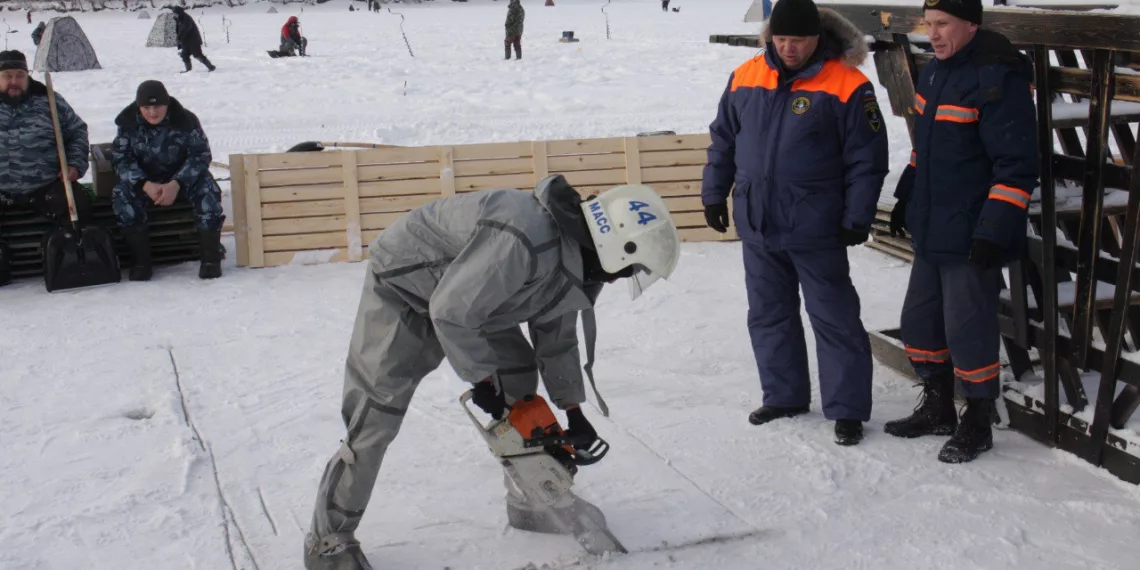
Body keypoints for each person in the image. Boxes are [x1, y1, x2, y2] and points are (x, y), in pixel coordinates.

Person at [302, 176, 681, 570]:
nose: (623, 277)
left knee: (519, 384)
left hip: (476, 297)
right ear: (617, 247)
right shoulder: (525, 239)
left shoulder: (578, 259)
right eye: (630, 268)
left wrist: (573, 410)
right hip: (406, 287)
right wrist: (482, 380)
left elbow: (557, 340)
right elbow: (451, 312)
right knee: (376, 416)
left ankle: (530, 499)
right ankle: (329, 539)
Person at [700, 0, 889, 445]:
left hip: (816, 225)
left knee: (834, 319)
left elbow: (867, 159)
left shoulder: (848, 84)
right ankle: (784, 396)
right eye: (780, 38)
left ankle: (846, 409)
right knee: (768, 315)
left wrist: (857, 216)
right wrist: (713, 194)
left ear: (816, 39)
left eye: (798, 39)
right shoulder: (745, 76)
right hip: (758, 221)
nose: (788, 47)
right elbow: (723, 140)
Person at [885, 0, 1038, 464]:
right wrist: (908, 188)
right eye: (928, 24)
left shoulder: (998, 77)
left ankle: (977, 417)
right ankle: (937, 407)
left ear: (971, 24)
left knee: (969, 327)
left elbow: (1016, 166)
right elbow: (926, 144)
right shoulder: (935, 72)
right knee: (921, 320)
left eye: (943, 24)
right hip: (933, 222)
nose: (932, 34)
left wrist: (994, 229)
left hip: (972, 230)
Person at [109, 80, 225, 281]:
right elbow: (121, 159)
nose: (153, 112)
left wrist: (177, 183)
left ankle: (210, 259)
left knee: (209, 190)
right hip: (146, 182)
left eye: (158, 106)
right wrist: (144, 184)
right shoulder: (128, 124)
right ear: (139, 107)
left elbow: (201, 155)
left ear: (167, 104)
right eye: (147, 107)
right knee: (121, 194)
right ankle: (141, 262)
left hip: (181, 179)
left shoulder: (186, 120)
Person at [0, 50, 90, 286]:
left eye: (19, 75)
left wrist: (74, 165)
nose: (13, 82)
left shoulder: (48, 99)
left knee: (78, 203)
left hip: (44, 185)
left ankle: (65, 259)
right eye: (7, 75)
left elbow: (77, 131)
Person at [170, 6, 216, 73]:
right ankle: (188, 70)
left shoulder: (186, 18)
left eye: (175, 13)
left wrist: (179, 38)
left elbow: (185, 29)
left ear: (179, 13)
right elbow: (179, 30)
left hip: (193, 41)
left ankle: (211, 67)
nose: (174, 14)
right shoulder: (179, 19)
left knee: (198, 55)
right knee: (184, 55)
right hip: (185, 42)